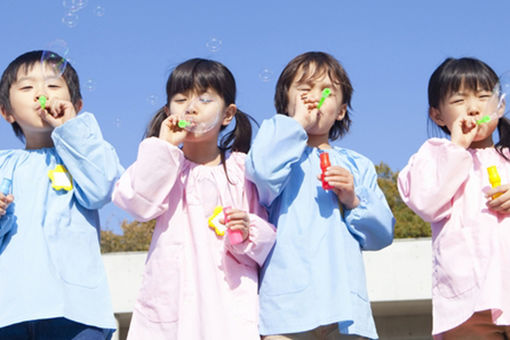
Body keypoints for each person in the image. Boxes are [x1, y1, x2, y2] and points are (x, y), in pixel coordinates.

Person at [112, 58, 276, 340]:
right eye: (180, 98)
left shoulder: (242, 169)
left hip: (227, 299)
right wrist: (164, 147)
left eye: (205, 98)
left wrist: (249, 228)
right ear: (167, 112)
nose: (191, 107)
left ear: (228, 114)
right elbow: (137, 203)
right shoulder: (162, 161)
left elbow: (268, 237)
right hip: (172, 301)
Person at [246, 51, 395, 339]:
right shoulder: (274, 142)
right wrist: (294, 126)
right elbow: (262, 174)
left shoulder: (357, 165)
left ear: (341, 111)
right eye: (303, 90)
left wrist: (352, 200)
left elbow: (382, 233)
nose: (314, 98)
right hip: (285, 307)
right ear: (285, 104)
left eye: (326, 91)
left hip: (345, 309)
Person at [0, 50, 123, 339]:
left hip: (77, 311)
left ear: (76, 105)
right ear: (6, 112)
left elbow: (100, 188)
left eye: (53, 85)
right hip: (10, 310)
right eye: (27, 87)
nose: (41, 93)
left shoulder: (87, 151)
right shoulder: (3, 164)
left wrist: (71, 129)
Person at [398, 57, 510, 339]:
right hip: (468, 305)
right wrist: (457, 147)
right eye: (460, 100)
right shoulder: (433, 156)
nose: (474, 107)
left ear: (500, 106)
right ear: (437, 115)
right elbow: (427, 202)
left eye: (484, 96)